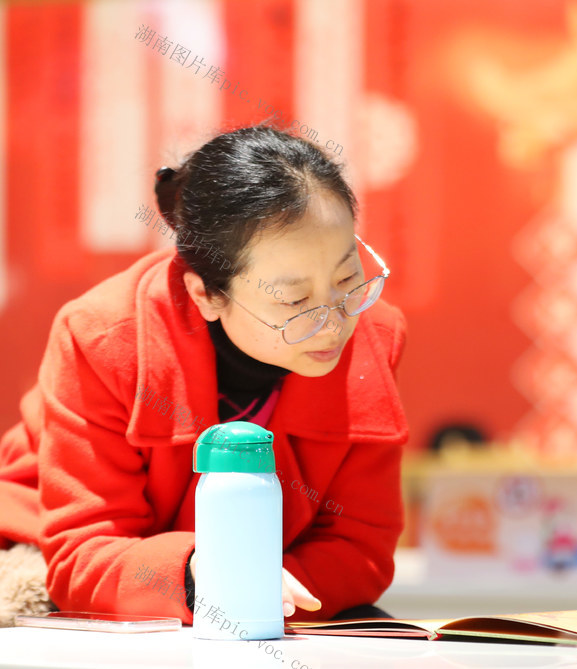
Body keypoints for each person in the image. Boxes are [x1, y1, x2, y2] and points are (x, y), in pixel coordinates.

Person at [0, 125, 408, 626]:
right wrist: (208, 578)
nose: (336, 320)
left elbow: (360, 543)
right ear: (206, 295)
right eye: (296, 300)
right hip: (52, 556)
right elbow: (83, 553)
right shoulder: (101, 339)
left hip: (277, 588)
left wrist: (263, 589)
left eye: (348, 278)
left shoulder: (373, 333)